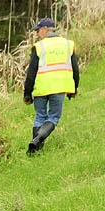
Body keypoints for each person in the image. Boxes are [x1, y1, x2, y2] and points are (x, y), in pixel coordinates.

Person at [23, 17, 79, 154]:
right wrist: (74, 88)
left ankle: (34, 150)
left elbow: (31, 72)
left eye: (38, 31)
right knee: (53, 118)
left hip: (41, 87)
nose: (37, 34)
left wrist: (27, 93)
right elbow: (75, 69)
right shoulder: (67, 44)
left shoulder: (39, 47)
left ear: (45, 29)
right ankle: (36, 142)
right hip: (59, 87)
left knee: (40, 116)